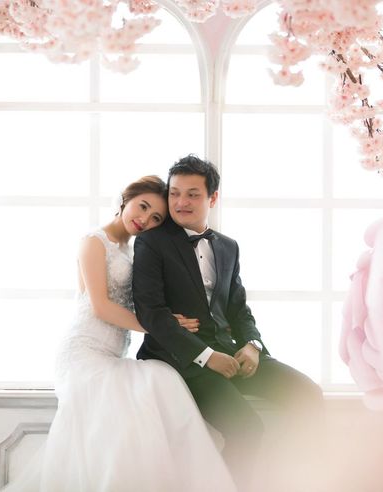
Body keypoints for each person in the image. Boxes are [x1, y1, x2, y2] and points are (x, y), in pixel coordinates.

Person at [2, 175, 236, 492]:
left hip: (113, 356)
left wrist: (173, 319)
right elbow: (100, 306)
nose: (145, 219)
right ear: (126, 199)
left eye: (156, 218)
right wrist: (163, 325)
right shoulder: (93, 241)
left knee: (162, 378)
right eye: (143, 207)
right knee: (121, 422)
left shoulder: (135, 250)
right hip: (83, 352)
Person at [132, 156, 324, 491]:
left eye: (192, 194)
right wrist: (206, 356)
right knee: (247, 428)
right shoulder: (152, 242)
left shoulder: (228, 247)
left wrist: (252, 345)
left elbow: (239, 310)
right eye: (175, 193)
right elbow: (151, 312)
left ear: (213, 198)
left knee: (308, 395)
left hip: (231, 352)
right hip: (182, 361)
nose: (181, 202)